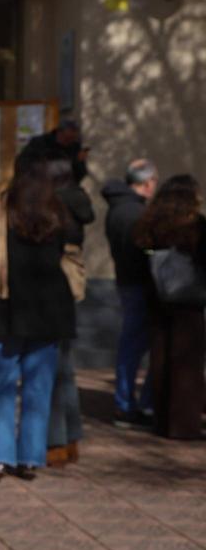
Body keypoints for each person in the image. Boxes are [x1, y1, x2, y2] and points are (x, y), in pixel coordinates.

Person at [0, 151, 77, 482]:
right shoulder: (57, 209)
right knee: (39, 387)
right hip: (49, 308)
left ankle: (0, 456)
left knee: (3, 385)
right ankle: (30, 457)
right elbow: (71, 252)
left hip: (6, 305)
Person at [134, 174, 205, 440]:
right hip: (189, 300)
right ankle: (184, 424)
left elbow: (140, 252)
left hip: (157, 298)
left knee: (160, 359)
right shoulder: (196, 225)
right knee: (187, 363)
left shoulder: (151, 223)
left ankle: (162, 420)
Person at [45, 152, 95, 467]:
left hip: (52, 291)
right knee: (65, 367)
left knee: (54, 368)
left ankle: (57, 442)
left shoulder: (50, 206)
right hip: (68, 287)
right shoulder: (78, 201)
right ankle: (71, 438)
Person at [102, 158, 159, 427]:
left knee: (131, 345)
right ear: (147, 183)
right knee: (133, 346)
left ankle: (128, 403)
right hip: (139, 284)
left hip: (127, 282)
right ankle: (127, 405)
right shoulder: (135, 213)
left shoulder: (119, 208)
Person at [24, 118, 88, 183]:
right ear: (59, 132)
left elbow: (80, 174)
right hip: (37, 183)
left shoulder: (75, 147)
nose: (70, 142)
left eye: (73, 139)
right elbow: (23, 163)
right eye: (67, 138)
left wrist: (78, 162)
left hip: (64, 186)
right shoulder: (39, 143)